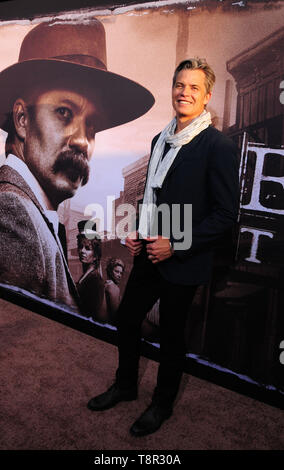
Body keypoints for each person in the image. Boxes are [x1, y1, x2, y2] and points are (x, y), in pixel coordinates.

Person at [87, 58, 239, 436]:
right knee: (126, 320)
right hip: (149, 252)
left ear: (206, 97)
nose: (184, 93)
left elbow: (225, 214)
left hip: (182, 258)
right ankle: (125, 386)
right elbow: (154, 197)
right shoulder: (160, 139)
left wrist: (177, 243)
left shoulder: (217, 145)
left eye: (193, 88)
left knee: (172, 336)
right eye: (179, 85)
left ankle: (162, 405)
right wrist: (139, 230)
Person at [0, 19, 154, 309]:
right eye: (64, 112)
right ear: (22, 119)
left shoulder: (32, 213)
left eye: (91, 125)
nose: (83, 141)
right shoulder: (11, 211)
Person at [76, 220, 104, 320]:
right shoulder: (87, 275)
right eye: (80, 247)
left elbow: (91, 315)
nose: (82, 251)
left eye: (87, 248)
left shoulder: (95, 280)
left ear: (96, 255)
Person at [104, 257, 125, 323]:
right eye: (116, 271)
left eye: (121, 273)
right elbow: (115, 316)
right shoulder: (113, 288)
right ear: (110, 271)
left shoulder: (105, 284)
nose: (119, 275)